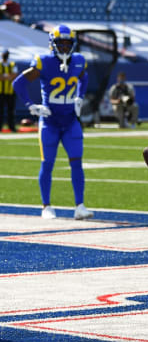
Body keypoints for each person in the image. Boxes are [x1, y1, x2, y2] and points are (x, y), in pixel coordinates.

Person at [11, 25, 93, 220]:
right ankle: (46, 206)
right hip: (49, 121)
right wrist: (31, 105)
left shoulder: (80, 61)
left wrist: (80, 96)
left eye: (68, 43)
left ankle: (79, 206)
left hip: (71, 121)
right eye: (60, 43)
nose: (64, 47)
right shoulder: (44, 62)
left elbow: (84, 78)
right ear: (52, 44)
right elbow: (18, 83)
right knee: (47, 164)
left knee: (76, 163)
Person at [0, 48, 18, 132]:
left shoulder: (12, 64)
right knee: (0, 110)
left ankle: (12, 127)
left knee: (11, 111)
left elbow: (14, 75)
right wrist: (8, 76)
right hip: (1, 92)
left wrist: (4, 76)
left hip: (11, 91)